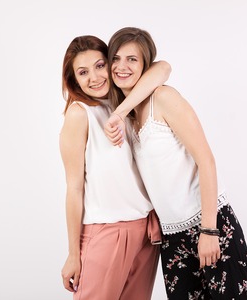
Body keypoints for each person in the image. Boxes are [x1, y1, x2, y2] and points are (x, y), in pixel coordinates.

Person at [104, 27, 247, 299]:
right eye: (116, 59)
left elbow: (207, 161)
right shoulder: (127, 116)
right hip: (172, 237)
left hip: (209, 223)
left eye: (132, 59)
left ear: (145, 65)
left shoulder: (163, 98)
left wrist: (209, 230)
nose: (122, 66)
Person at [59, 34, 172, 300]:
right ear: (74, 79)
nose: (94, 77)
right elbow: (73, 188)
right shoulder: (80, 114)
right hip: (107, 231)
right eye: (83, 72)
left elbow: (163, 67)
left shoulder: (124, 101)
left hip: (146, 231)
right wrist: (73, 254)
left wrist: (121, 111)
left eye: (100, 66)